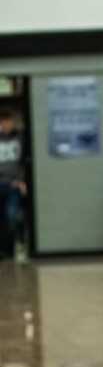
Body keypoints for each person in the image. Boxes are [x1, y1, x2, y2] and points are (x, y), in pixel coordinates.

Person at [0, 109, 26, 259]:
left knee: (12, 215)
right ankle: (5, 250)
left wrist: (22, 181)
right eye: (3, 122)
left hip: (14, 184)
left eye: (9, 121)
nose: (7, 125)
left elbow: (25, 161)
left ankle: (18, 245)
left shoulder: (20, 137)